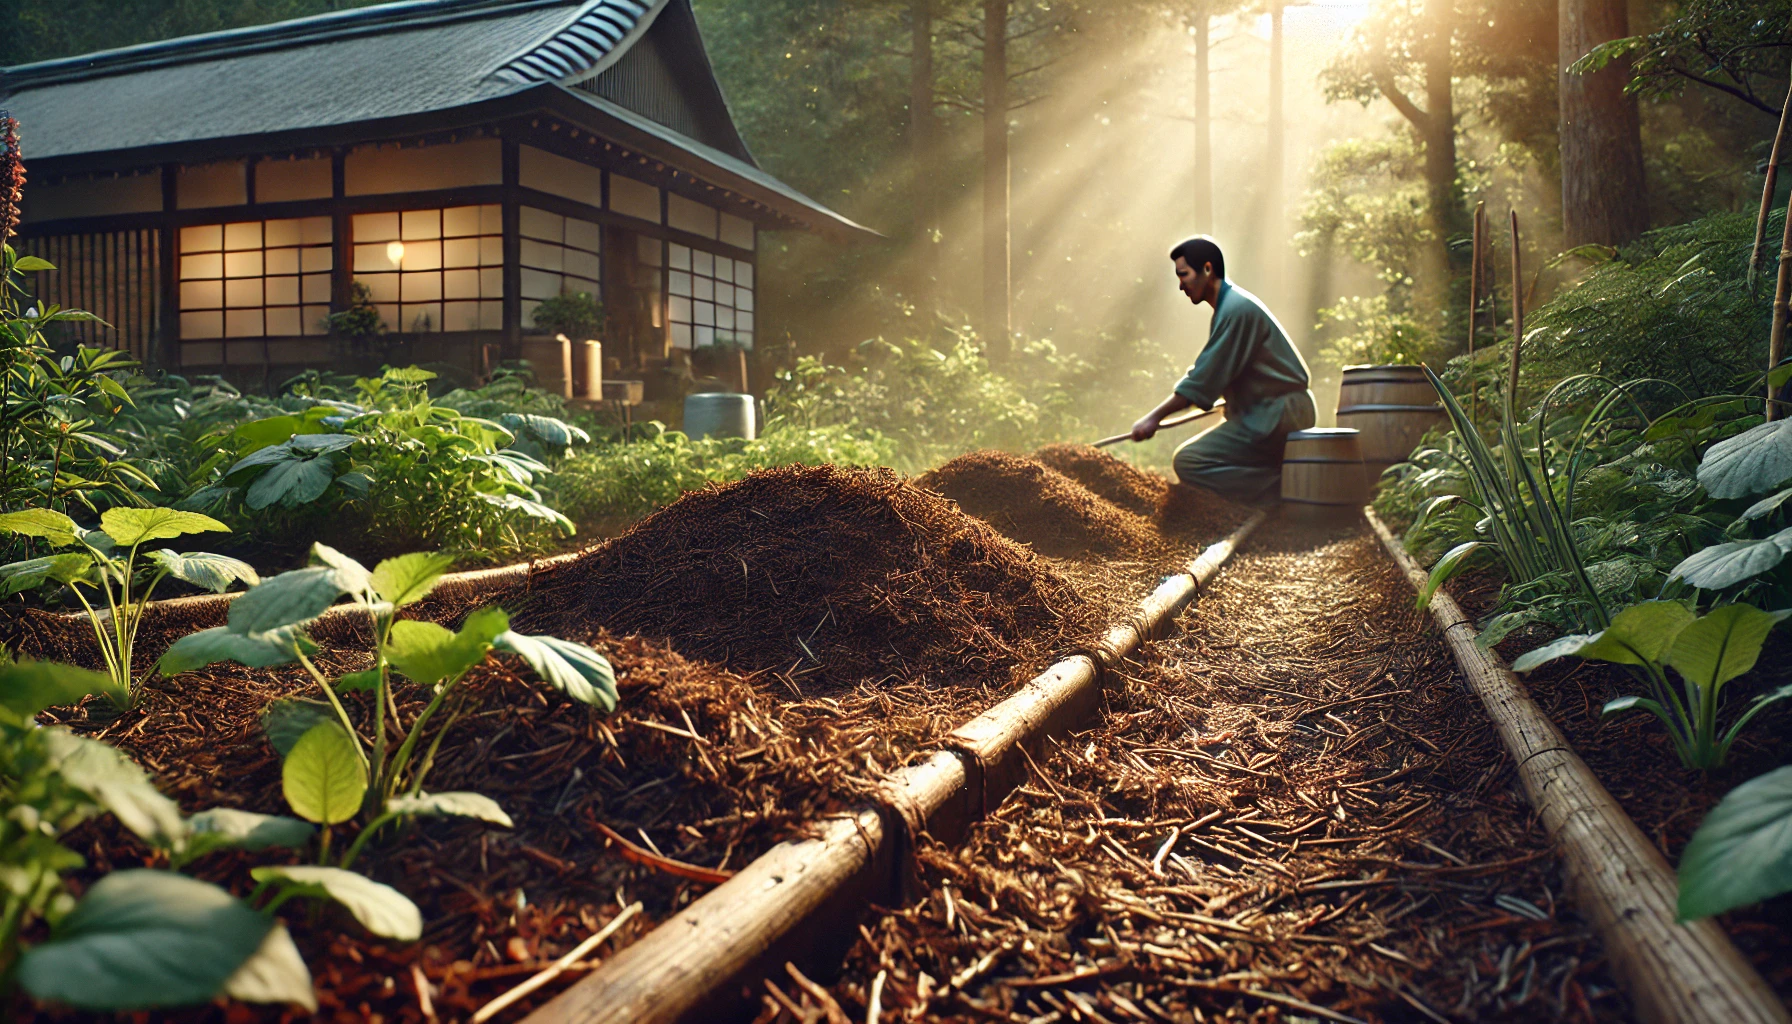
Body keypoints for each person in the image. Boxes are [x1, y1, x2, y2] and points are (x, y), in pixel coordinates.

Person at [1130, 236, 1316, 503]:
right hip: (1267, 413)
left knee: (1190, 461)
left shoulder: (1236, 311)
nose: (1181, 285)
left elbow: (1203, 379)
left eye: (1184, 275)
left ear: (1207, 269)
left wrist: (1153, 418)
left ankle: (1280, 491)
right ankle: (1277, 481)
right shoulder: (1231, 307)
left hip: (1277, 415)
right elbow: (1223, 375)